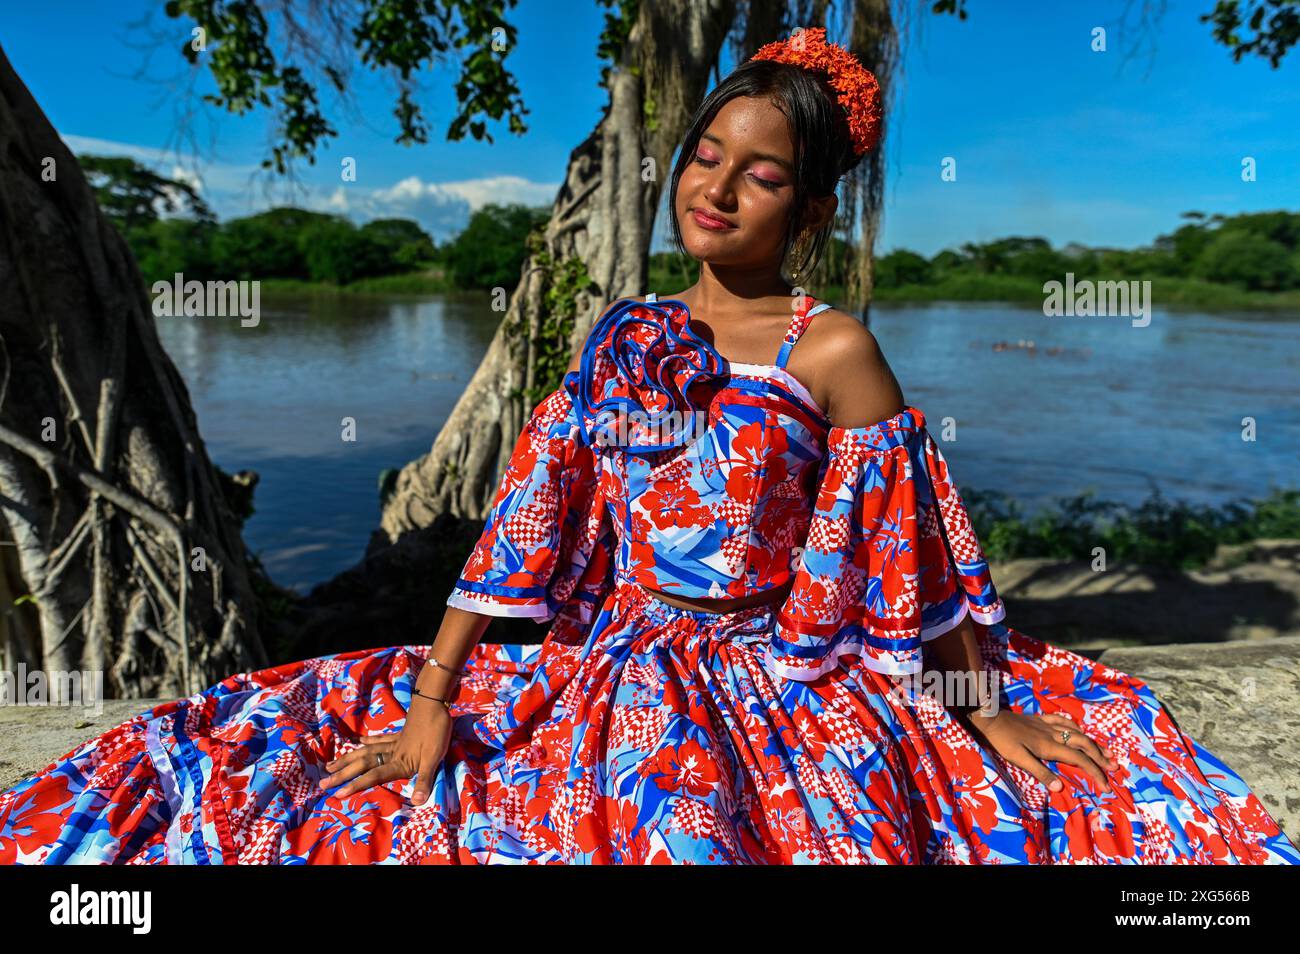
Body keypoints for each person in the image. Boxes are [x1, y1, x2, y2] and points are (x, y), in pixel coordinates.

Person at [2, 28, 1295, 866]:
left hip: (773, 672)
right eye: (705, 152)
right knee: (309, 794)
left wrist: (990, 706)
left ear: (815, 200)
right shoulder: (625, 335)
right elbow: (525, 523)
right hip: (608, 658)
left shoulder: (828, 349)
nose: (716, 186)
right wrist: (438, 697)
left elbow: (920, 551)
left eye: (763, 173)